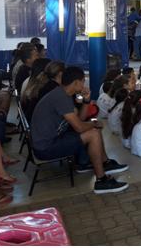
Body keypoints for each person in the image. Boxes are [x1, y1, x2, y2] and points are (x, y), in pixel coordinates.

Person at [30, 66, 129, 194]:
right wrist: (94, 124)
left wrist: (86, 101)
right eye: (83, 81)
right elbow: (79, 127)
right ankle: (101, 180)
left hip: (52, 139)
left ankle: (104, 162)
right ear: (76, 82)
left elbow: (79, 119)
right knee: (93, 133)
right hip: (46, 147)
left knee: (94, 129)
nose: (84, 84)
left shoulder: (63, 93)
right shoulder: (60, 97)